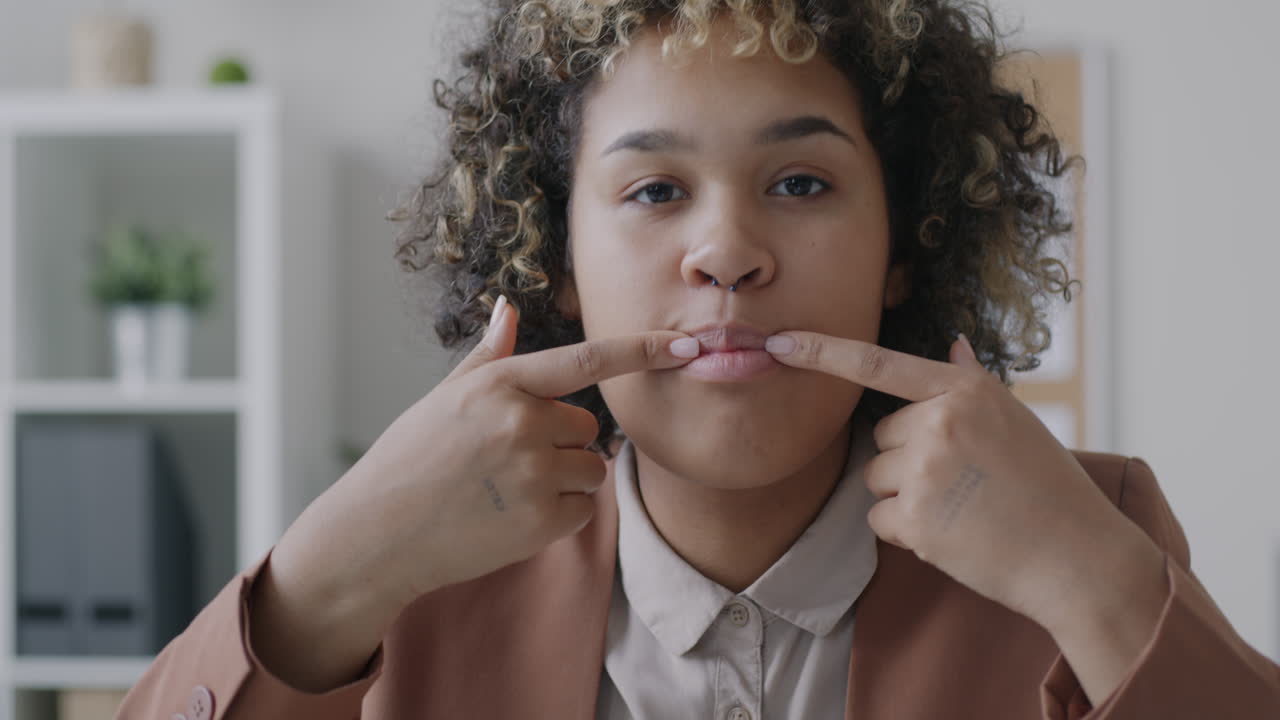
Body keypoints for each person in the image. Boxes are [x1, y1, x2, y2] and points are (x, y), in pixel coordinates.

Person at [119, 1, 1280, 718]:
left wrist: (1093, 580)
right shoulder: (406, 576)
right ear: (556, 260)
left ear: (903, 250)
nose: (724, 251)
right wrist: (323, 576)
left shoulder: (1087, 526)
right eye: (653, 190)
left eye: (800, 183)